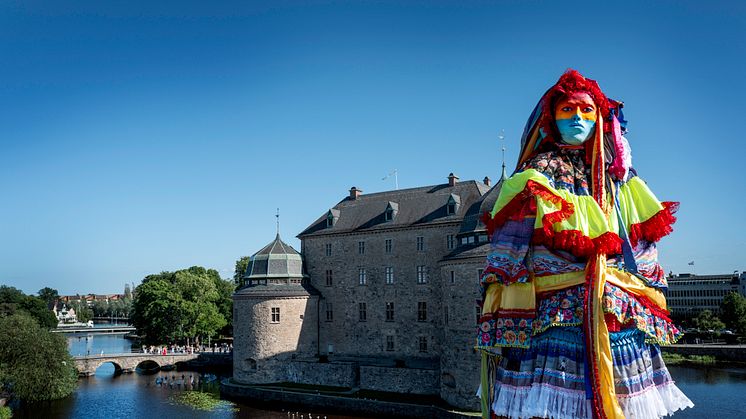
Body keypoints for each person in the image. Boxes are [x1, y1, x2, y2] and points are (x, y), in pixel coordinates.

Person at [477, 70, 693, 419]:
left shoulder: (618, 178)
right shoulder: (541, 171)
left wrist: (642, 287)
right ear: (552, 118)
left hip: (612, 307)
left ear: (599, 118)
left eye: (586, 111)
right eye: (567, 111)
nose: (577, 117)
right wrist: (501, 283)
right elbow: (512, 242)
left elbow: (640, 247)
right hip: (554, 311)